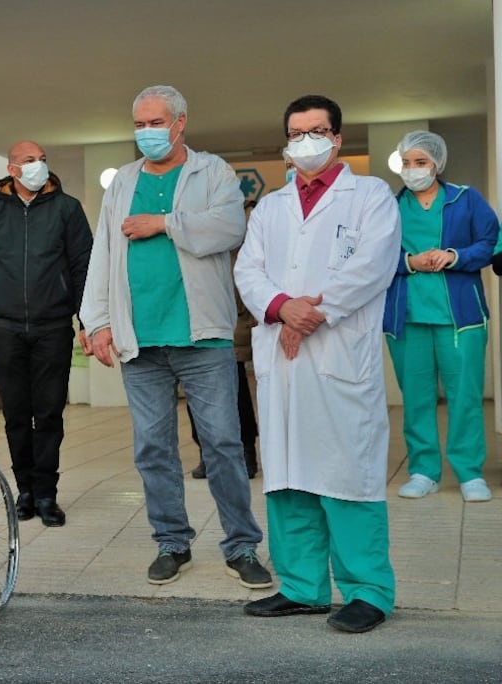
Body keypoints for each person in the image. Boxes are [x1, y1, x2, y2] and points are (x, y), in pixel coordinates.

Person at [79, 85, 270, 590]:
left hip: (201, 336)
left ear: (180, 123)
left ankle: (242, 545)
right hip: (139, 338)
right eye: (139, 124)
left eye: (155, 123)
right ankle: (171, 541)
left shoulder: (213, 172)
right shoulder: (122, 180)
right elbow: (103, 253)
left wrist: (164, 223)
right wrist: (95, 322)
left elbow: (230, 227)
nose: (146, 133)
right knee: (152, 448)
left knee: (224, 443)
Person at [235, 95, 401, 633]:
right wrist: (282, 308)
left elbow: (373, 267)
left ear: (336, 137)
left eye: (316, 130)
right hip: (283, 360)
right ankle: (302, 587)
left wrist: (307, 315)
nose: (305, 141)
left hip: (336, 356)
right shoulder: (271, 206)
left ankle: (368, 592)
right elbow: (249, 270)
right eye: (295, 132)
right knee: (288, 474)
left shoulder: (370, 196)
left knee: (347, 473)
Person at [0, 140, 92, 527]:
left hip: (53, 326)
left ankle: (48, 494)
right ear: (12, 169)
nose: (38, 166)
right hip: (5, 328)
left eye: (42, 159)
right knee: (17, 415)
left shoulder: (67, 209)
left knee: (49, 414)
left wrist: (88, 321)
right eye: (29, 161)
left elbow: (84, 268)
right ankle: (25, 491)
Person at [386, 131, 497, 503]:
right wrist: (409, 262)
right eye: (406, 163)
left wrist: (454, 256)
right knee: (416, 398)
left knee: (464, 396)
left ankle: (469, 472)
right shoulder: (389, 206)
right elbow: (373, 255)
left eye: (421, 162)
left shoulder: (466, 200)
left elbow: (491, 242)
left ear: (437, 163)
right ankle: (423, 470)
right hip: (408, 317)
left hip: (460, 318)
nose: (413, 170)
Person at [191, 202, 259, 481]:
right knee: (196, 398)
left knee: (236, 394)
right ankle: (207, 453)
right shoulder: (203, 245)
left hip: (232, 331)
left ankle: (246, 452)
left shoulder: (242, 250)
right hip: (200, 329)